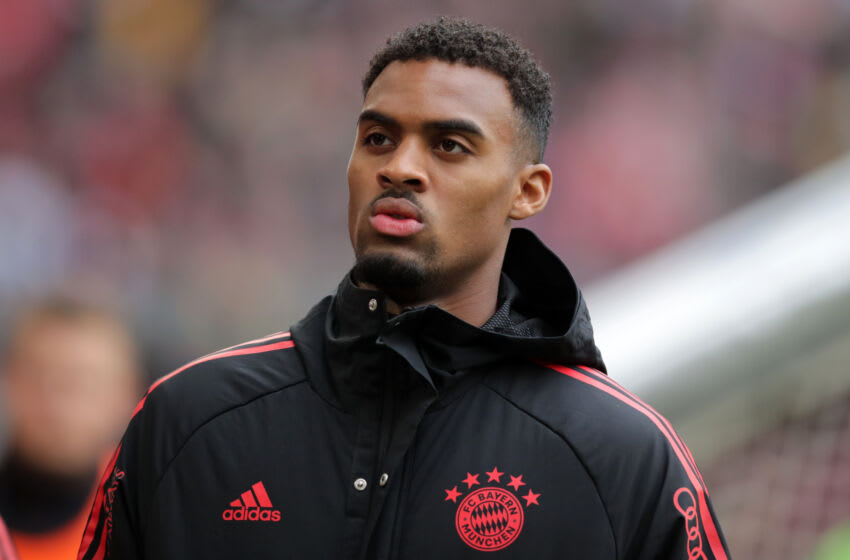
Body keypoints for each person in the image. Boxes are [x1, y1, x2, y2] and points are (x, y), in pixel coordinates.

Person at [78, 18, 730, 559]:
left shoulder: (622, 456)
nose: (400, 167)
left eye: (449, 146)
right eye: (378, 138)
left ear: (527, 192)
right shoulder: (188, 420)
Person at [0, 298, 141, 560]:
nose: (55, 402)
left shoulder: (144, 520)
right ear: (9, 380)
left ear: (126, 396)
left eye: (81, 383)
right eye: (39, 377)